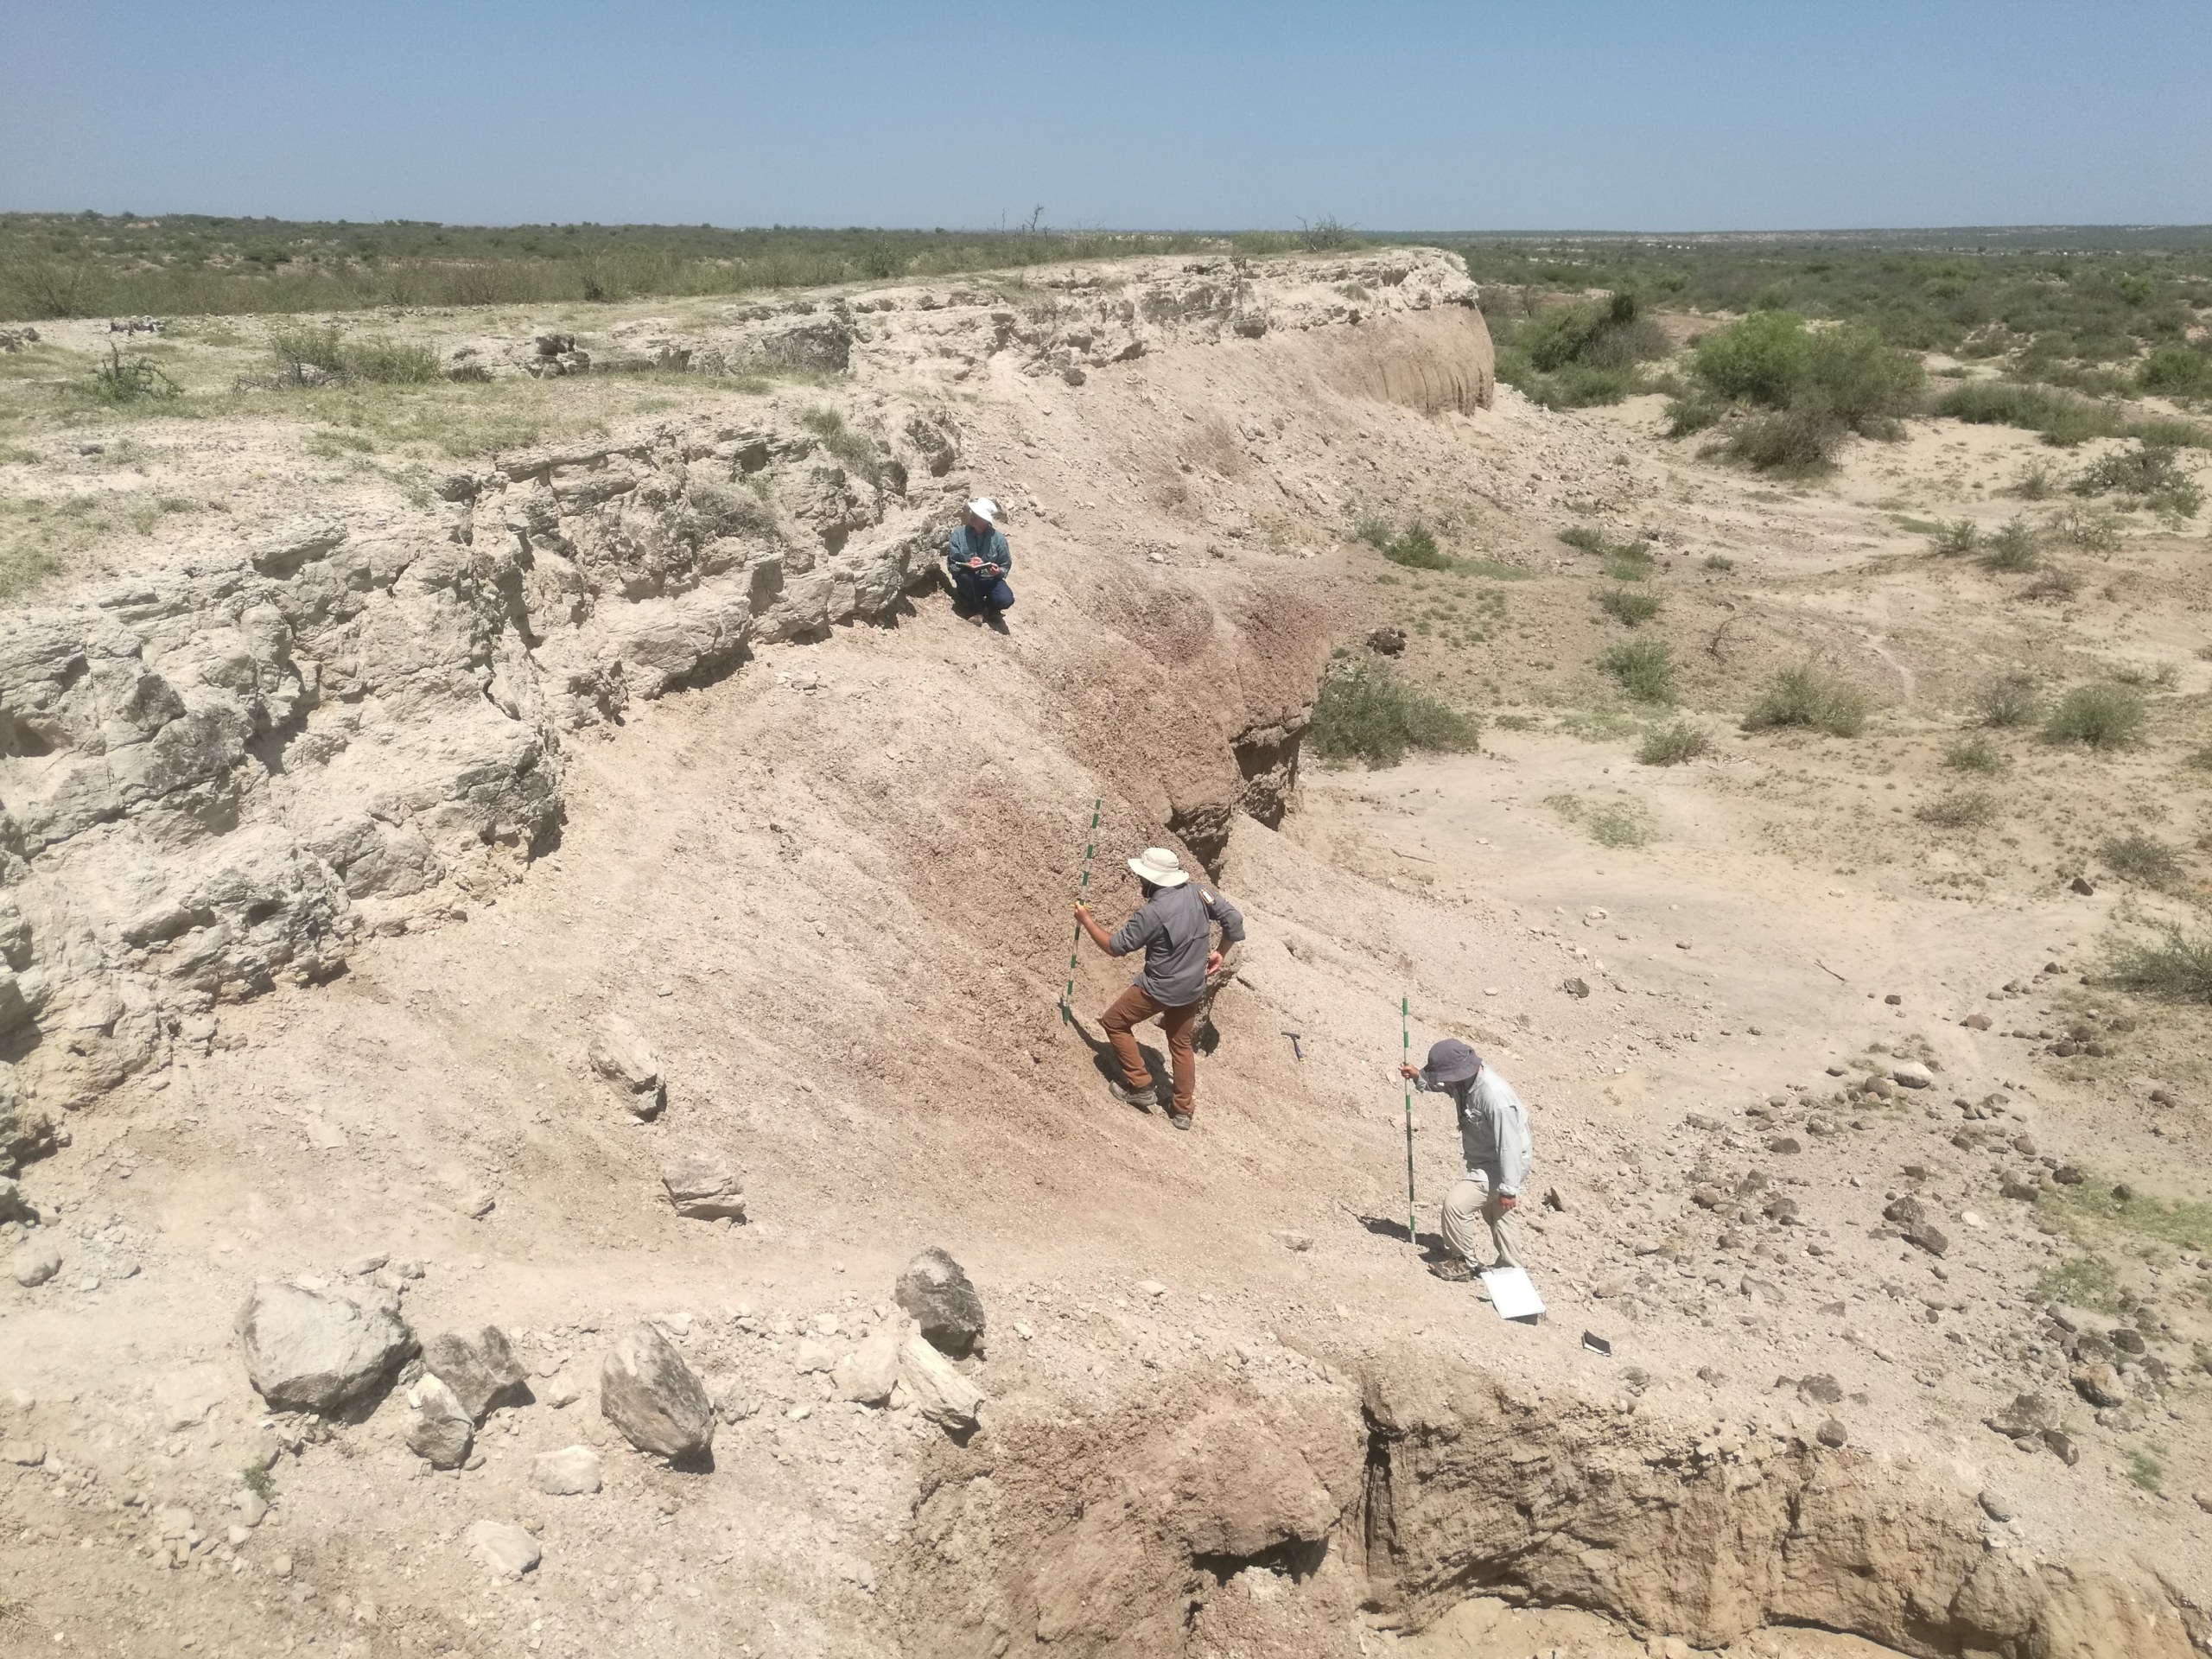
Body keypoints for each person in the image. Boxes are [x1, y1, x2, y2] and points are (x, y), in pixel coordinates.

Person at [1074, 847, 1244, 1131]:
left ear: (1152, 879)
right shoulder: (1200, 892)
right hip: (1193, 986)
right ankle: (1182, 1111)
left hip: (1159, 987)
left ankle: (1140, 1085)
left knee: (1114, 1022)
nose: (1140, 881)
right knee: (1181, 1045)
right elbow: (1234, 920)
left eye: (1143, 877)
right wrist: (1221, 952)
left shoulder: (1152, 912)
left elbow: (1115, 948)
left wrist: (1086, 920)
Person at [1398, 1039, 1532, 1282]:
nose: (1445, 1081)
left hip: (1503, 1164)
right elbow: (1446, 1086)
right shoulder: (1466, 1080)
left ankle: (1463, 1263)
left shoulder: (1495, 1097)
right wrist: (1419, 1077)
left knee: (1456, 1205)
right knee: (1497, 1212)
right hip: (1487, 1160)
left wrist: (1509, 1188)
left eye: (1446, 1076)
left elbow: (1509, 1146)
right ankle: (1512, 1268)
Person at [944, 498, 1014, 621]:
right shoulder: (958, 535)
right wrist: (967, 564)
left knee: (1006, 599)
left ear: (985, 520)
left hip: (990, 579)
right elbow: (952, 564)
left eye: (976, 514)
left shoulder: (999, 539)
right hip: (969, 580)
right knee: (965, 578)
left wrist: (998, 571)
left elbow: (1005, 565)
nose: (972, 516)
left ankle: (993, 608)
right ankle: (976, 610)